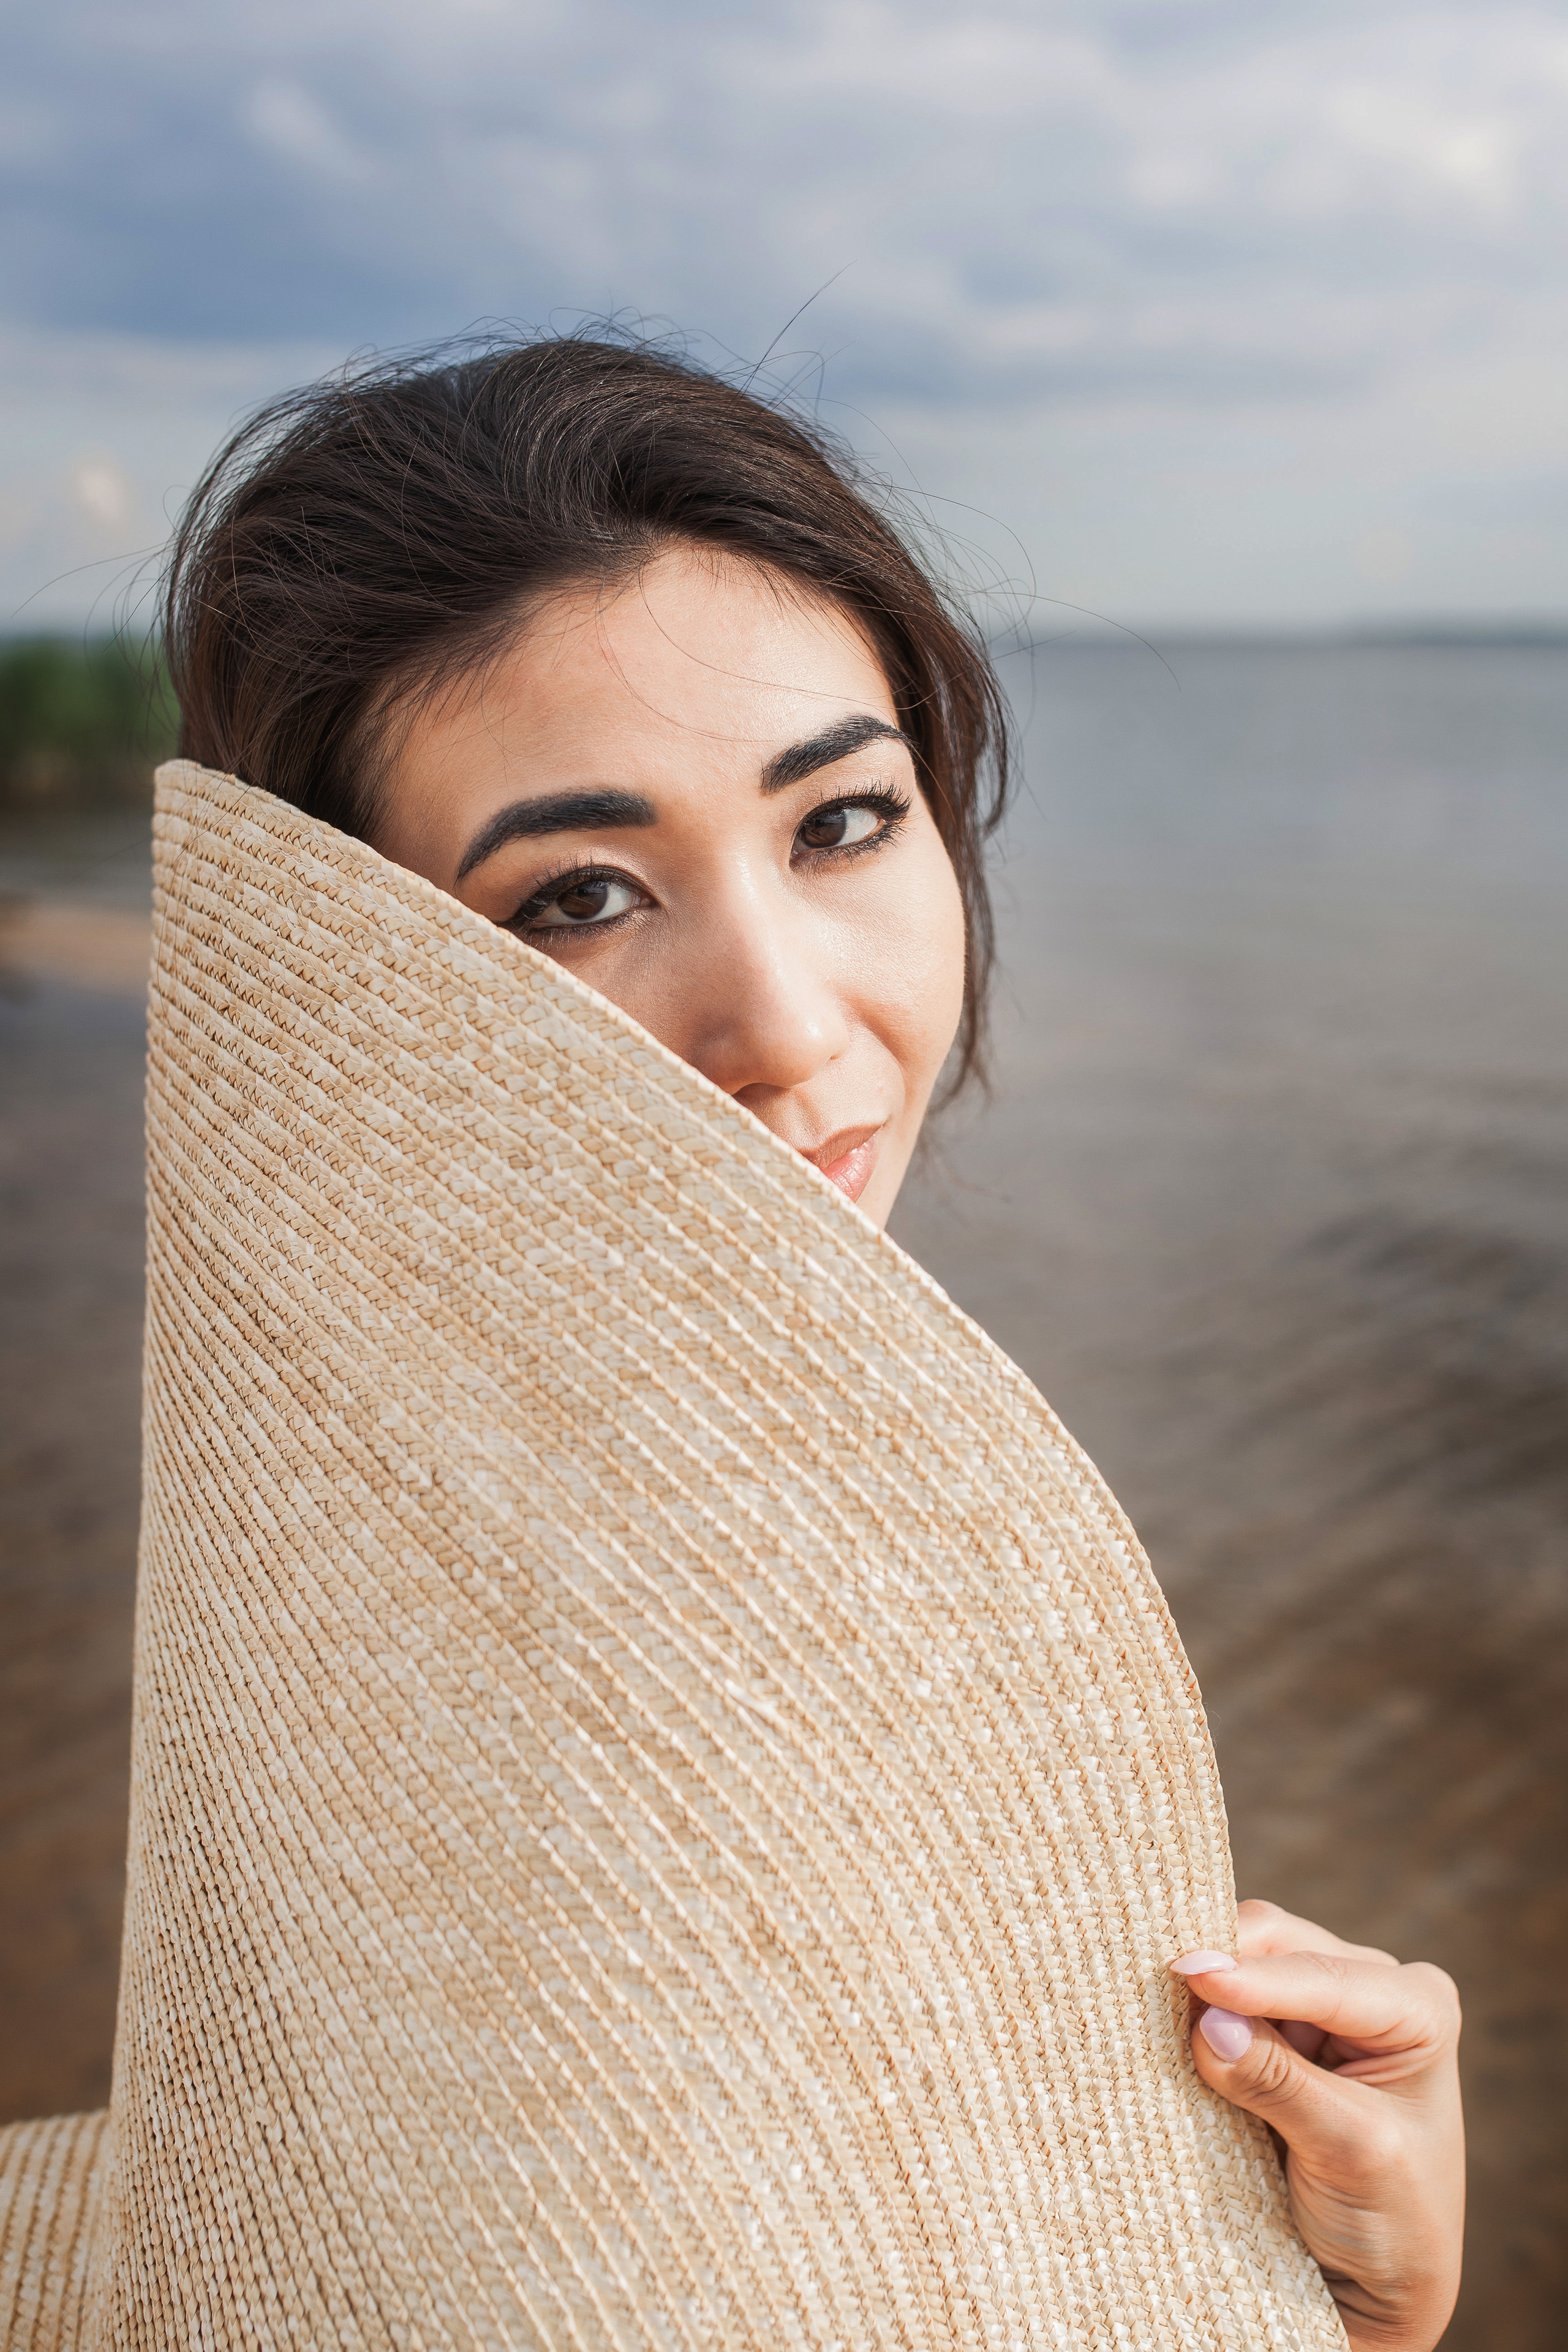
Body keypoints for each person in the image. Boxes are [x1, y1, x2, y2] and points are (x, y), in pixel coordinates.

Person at [162, 331, 1464, 2351]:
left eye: (841, 824)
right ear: (371, 995)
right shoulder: (521, 1727)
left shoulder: (707, 1546)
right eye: (582, 895)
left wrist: (1350, 2306)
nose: (783, 1022)